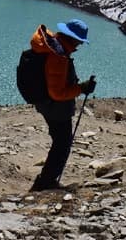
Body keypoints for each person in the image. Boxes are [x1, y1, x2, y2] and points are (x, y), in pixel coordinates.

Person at [28, 19, 97, 191]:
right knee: (62, 144)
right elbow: (57, 93)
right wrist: (81, 88)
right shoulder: (58, 57)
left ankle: (46, 181)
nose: (79, 46)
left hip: (46, 103)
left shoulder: (52, 46)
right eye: (79, 42)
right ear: (72, 38)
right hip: (55, 108)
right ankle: (45, 183)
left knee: (60, 142)